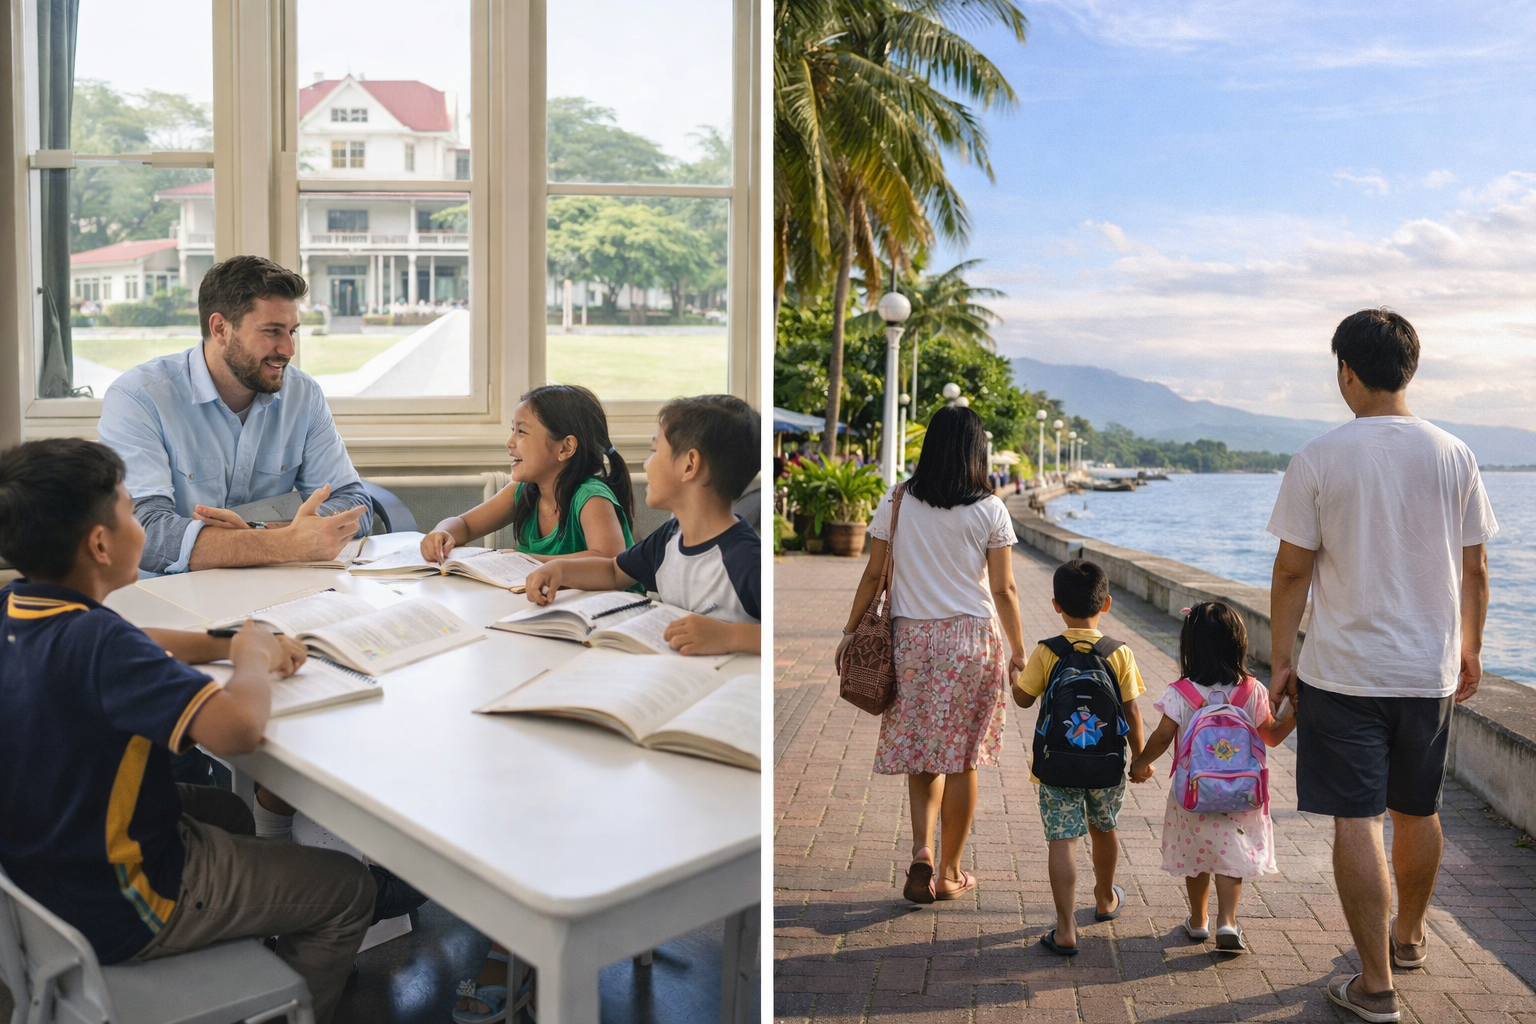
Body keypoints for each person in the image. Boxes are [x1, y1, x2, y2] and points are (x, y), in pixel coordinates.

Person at [0, 439, 375, 1024]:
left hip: (45, 877)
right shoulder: (104, 646)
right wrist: (251, 657)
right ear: (100, 544)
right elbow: (238, 731)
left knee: (228, 812)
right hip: (126, 901)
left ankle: (258, 932)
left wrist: (222, 642)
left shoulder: (18, 609)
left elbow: (135, 640)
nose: (140, 522)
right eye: (129, 510)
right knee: (348, 889)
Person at [1267, 308, 1496, 1024]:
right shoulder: (1454, 453)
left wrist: (1280, 659)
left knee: (1357, 818)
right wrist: (1470, 646)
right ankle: (1409, 936)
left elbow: (1291, 574)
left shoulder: (1319, 456)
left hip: (1342, 675)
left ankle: (1374, 987)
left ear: (1346, 370)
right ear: (1411, 368)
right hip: (1425, 673)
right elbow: (1477, 567)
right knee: (1418, 809)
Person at [839, 405, 1024, 905]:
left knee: (923, 752)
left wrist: (849, 631)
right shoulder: (990, 508)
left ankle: (922, 849)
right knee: (964, 760)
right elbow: (1004, 589)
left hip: (913, 643)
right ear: (976, 450)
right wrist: (1020, 650)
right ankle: (949, 871)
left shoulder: (897, 500)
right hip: (972, 642)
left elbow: (872, 575)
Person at [97, 254, 372, 576]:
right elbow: (147, 535)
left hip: (274, 586)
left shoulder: (303, 394)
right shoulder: (139, 397)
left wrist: (258, 531)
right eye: (272, 331)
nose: (288, 349)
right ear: (220, 328)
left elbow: (355, 504)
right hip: (172, 594)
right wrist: (286, 542)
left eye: (292, 331)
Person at [523, 395, 760, 656]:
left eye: (654, 451)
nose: (646, 464)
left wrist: (730, 635)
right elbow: (614, 571)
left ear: (689, 465)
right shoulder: (669, 537)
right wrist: (560, 569)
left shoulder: (746, 559)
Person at [1129, 602, 1295, 951]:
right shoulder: (1251, 690)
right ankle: (1228, 922)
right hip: (1241, 792)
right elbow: (1272, 736)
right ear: (1238, 644)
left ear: (1190, 646)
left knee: (1196, 855)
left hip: (1192, 791)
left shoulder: (1181, 692)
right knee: (1230, 853)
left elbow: (1161, 737)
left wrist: (1141, 763)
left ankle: (1199, 919)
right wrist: (1297, 712)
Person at [1012, 559, 1145, 954]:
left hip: (1056, 766)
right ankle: (1105, 898)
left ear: (1055, 605)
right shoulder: (1119, 653)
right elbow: (1133, 712)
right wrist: (1140, 759)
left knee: (1063, 839)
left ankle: (1066, 928)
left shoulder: (1046, 651)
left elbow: (1022, 699)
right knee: (1104, 829)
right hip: (1106, 765)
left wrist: (1016, 673)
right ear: (1105, 604)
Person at [420, 383, 634, 565]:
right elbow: (465, 525)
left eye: (521, 432)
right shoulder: (524, 490)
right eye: (512, 430)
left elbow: (608, 559)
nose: (510, 442)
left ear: (565, 448)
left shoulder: (591, 497)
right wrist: (442, 533)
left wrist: (526, 561)